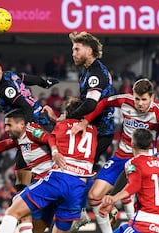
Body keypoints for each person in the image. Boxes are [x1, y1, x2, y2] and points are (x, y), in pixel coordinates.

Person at [71, 78, 159, 232]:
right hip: (121, 156)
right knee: (94, 195)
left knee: (133, 196)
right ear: (133, 95)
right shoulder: (124, 100)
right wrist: (85, 121)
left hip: (144, 160)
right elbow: (103, 103)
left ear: (152, 97)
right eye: (137, 99)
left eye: (144, 99)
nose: (140, 103)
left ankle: (134, 222)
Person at [42, 31, 116, 232]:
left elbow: (91, 103)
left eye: (77, 49)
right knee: (76, 168)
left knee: (74, 167)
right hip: (93, 129)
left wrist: (66, 119)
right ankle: (80, 211)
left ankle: (80, 212)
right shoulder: (87, 71)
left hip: (100, 131)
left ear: (89, 50)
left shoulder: (96, 73)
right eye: (72, 49)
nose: (73, 53)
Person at [0, 102, 98, 233]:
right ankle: (82, 210)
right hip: (78, 186)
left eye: (64, 113)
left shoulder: (62, 125)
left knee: (13, 210)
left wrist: (55, 120)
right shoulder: (93, 130)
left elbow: (51, 135)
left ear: (68, 114)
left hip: (59, 178)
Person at [0, 107, 61, 233]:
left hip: (48, 178)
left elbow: (49, 138)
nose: (6, 129)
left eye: (9, 125)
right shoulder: (20, 138)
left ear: (21, 124)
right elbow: (6, 144)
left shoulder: (30, 130)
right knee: (36, 225)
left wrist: (54, 151)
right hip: (43, 180)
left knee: (16, 204)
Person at [0, 56, 58, 194]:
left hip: (37, 126)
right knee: (22, 167)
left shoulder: (5, 89)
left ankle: (23, 200)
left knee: (24, 171)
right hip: (40, 123)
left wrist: (28, 132)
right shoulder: (9, 74)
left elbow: (26, 107)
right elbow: (25, 78)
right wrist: (43, 82)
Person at [99, 128, 159, 233]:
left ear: (132, 144)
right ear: (151, 145)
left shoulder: (133, 162)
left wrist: (113, 198)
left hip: (142, 223)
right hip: (158, 222)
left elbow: (133, 185)